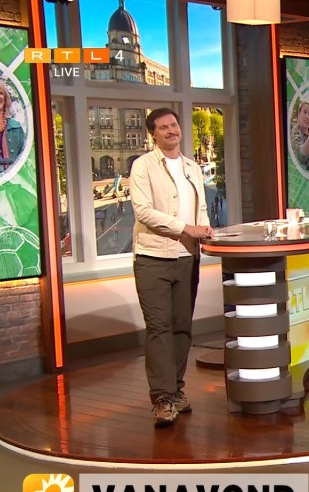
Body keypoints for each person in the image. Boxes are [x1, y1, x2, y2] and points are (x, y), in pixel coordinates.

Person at [129, 108, 213, 427]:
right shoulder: (143, 166)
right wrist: (185, 228)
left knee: (181, 328)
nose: (171, 131)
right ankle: (162, 399)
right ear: (153, 134)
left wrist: (204, 231)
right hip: (153, 258)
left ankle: (176, 390)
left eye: (174, 125)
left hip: (187, 257)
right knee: (159, 328)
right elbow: (143, 212)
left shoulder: (192, 167)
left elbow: (200, 210)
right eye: (163, 127)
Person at [290, 99, 309, 168]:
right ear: (299, 114)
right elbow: (301, 157)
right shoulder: (295, 132)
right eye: (305, 112)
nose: (307, 116)